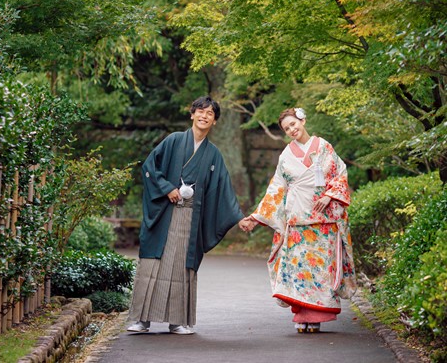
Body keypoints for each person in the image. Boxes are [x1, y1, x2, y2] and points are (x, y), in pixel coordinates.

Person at [127, 96, 244, 335]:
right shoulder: (173, 141)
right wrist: (167, 188)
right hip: (164, 213)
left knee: (181, 267)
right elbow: (150, 167)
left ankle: (177, 321)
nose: (204, 116)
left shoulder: (213, 155)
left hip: (190, 218)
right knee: (152, 264)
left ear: (215, 121)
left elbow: (223, 188)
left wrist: (239, 217)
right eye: (200, 111)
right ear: (192, 114)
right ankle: (142, 320)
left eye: (210, 113)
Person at [239, 107, 356, 333]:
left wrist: (330, 195)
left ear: (303, 120)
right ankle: (302, 316)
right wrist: (256, 217)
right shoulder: (286, 155)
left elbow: (340, 174)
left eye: (294, 124)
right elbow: (277, 188)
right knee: (300, 269)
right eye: (286, 128)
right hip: (297, 220)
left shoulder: (324, 146)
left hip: (323, 220)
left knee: (321, 269)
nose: (292, 129)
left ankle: (317, 317)